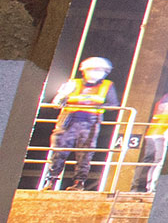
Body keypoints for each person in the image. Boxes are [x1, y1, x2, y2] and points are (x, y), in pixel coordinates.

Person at [43, 57, 118, 191]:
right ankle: (51, 182)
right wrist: (62, 97)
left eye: (101, 70)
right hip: (68, 122)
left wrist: (97, 106)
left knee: (85, 154)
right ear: (85, 70)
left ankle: (78, 183)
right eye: (95, 69)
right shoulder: (73, 83)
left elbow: (113, 105)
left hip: (90, 123)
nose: (98, 72)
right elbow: (57, 102)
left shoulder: (107, 86)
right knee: (59, 152)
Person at [137, 71, 168, 193]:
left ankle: (141, 186)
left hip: (154, 132)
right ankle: (152, 187)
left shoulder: (166, 97)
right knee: (160, 161)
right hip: (164, 132)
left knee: (150, 160)